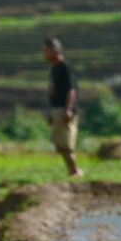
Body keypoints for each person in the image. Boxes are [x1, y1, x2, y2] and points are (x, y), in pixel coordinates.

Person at [43, 37, 83, 177]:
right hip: (57, 109)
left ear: (55, 51)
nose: (44, 54)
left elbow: (71, 89)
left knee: (66, 144)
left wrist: (68, 109)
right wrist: (51, 112)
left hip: (64, 110)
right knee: (60, 144)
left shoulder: (65, 67)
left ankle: (75, 171)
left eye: (46, 50)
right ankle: (72, 170)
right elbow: (53, 91)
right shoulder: (54, 69)